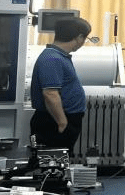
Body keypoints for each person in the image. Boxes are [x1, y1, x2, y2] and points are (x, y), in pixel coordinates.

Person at [30, 17, 91, 153]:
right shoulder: (52, 58)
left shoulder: (59, 56)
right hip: (54, 123)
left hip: (60, 120)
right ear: (79, 37)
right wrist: (63, 123)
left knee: (60, 160)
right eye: (84, 38)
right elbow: (50, 94)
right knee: (52, 161)